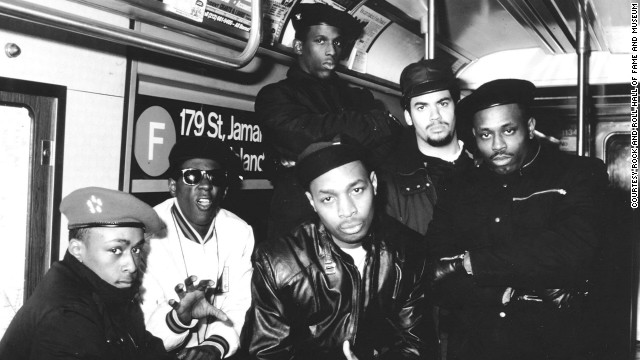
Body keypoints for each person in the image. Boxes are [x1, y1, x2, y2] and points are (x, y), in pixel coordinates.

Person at [426, 79, 609, 360]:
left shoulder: (578, 174)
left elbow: (575, 251)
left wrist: (470, 263)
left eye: (508, 130)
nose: (498, 145)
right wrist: (512, 292)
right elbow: (436, 273)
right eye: (485, 135)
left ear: (531, 127)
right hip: (477, 345)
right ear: (474, 136)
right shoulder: (457, 188)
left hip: (554, 345)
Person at [241, 135, 437, 360]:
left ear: (373, 184)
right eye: (328, 199)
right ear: (312, 201)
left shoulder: (408, 251)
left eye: (356, 191)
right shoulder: (279, 262)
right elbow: (266, 354)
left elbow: (416, 346)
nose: (347, 210)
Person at [0, 187, 220, 360]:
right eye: (116, 250)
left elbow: (142, 352)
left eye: (136, 249)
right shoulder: (67, 315)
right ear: (77, 250)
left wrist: (180, 320)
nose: (132, 265)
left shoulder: (107, 288)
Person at [255, 3, 401, 239]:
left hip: (356, 218)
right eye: (321, 41)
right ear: (299, 46)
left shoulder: (358, 97)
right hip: (300, 222)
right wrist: (368, 131)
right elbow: (299, 135)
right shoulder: (276, 96)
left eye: (337, 42)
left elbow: (390, 137)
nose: (331, 50)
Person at [140, 137, 255, 359]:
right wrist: (179, 318)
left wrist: (215, 346)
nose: (205, 185)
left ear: (224, 190)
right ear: (173, 186)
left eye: (215, 177)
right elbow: (143, 329)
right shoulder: (146, 236)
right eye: (192, 176)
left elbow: (240, 303)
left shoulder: (239, 231)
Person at [379, 58, 473, 236]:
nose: (435, 116)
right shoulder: (390, 185)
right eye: (422, 107)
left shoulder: (486, 165)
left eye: (443, 103)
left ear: (456, 107)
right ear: (408, 117)